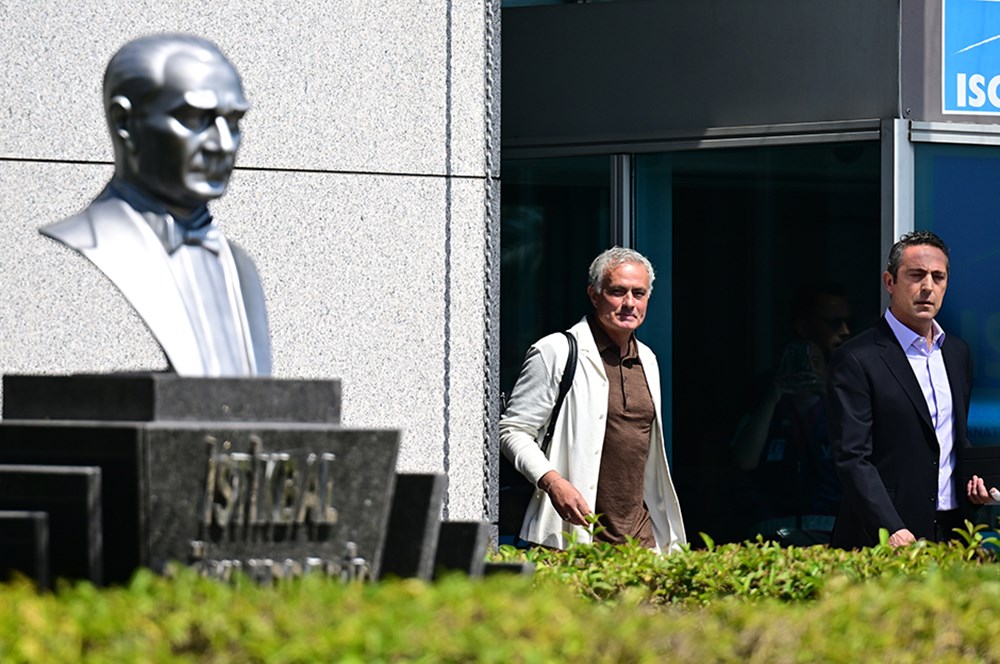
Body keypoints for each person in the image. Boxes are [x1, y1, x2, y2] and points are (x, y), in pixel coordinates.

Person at [39, 34, 270, 376]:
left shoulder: (241, 268)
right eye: (195, 118)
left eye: (233, 122)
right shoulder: (93, 240)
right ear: (124, 123)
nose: (223, 144)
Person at [499, 247, 686, 552]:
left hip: (640, 543)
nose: (629, 303)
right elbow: (512, 431)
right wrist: (552, 482)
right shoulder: (556, 351)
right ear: (594, 294)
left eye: (638, 293)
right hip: (571, 537)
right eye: (617, 291)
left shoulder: (649, 360)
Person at [828, 230, 985, 549]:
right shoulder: (858, 357)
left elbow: (953, 439)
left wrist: (976, 482)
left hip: (954, 529)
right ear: (890, 282)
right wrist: (889, 528)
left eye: (938, 277)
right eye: (916, 275)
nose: (928, 286)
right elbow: (852, 457)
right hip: (886, 536)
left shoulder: (957, 352)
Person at [731, 287, 852, 545]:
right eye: (833, 323)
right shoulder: (762, 390)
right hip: (771, 530)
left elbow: (863, 453)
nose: (845, 331)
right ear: (803, 327)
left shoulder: (852, 390)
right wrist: (773, 397)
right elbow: (743, 459)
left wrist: (828, 395)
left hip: (832, 527)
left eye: (848, 322)